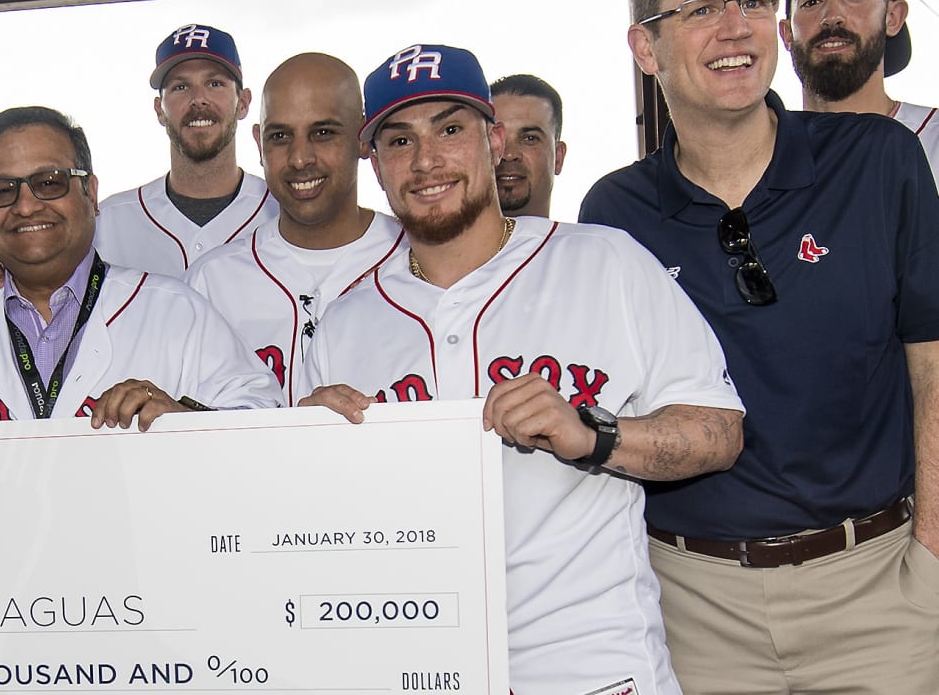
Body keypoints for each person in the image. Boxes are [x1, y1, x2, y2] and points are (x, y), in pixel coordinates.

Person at [298, 43, 744, 695]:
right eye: (398, 140)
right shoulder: (343, 323)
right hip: (421, 670)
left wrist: (596, 435)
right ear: (375, 165)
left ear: (494, 138)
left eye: (450, 129)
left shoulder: (605, 263)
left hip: (592, 669)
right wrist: (306, 455)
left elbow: (720, 432)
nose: (426, 160)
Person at [580, 0, 939, 691]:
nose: (735, 28)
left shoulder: (879, 159)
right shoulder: (615, 211)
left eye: (751, 0)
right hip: (691, 605)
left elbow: (934, 369)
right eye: (702, 8)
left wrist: (933, 560)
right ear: (646, 49)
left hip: (879, 589)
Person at [0, 106, 281, 428]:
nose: (26, 206)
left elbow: (264, 418)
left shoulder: (174, 309)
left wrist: (187, 419)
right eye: (1, 190)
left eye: (49, 183)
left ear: (91, 194)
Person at [184, 52, 403, 404]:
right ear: (258, 143)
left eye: (323, 133)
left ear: (363, 137)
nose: (300, 158)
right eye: (280, 137)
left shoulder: (416, 259)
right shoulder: (211, 281)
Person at [95, 24, 277, 275]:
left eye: (214, 83)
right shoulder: (107, 223)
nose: (198, 99)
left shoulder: (282, 211)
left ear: (243, 103)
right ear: (159, 109)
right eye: (181, 87)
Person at [780, 0, 939, 177]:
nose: (832, 17)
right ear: (787, 33)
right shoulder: (760, 157)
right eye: (811, 2)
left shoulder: (934, 140)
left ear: (893, 17)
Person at [488, 75, 566, 218]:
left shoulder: (601, 240)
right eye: (494, 138)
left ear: (558, 158)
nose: (509, 155)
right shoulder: (441, 240)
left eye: (530, 139)